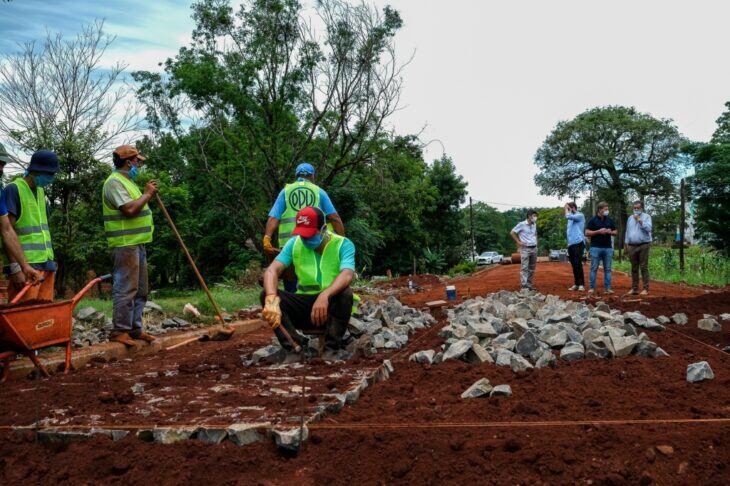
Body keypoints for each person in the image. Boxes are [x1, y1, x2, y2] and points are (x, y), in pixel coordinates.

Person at [261, 206, 355, 351]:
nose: (305, 239)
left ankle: (331, 348)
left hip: (332, 308)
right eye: (302, 235)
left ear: (323, 229)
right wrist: (271, 299)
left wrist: (325, 295)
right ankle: (295, 346)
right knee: (265, 295)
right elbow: (272, 270)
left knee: (345, 293)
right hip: (305, 308)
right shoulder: (294, 243)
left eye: (309, 235)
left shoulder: (343, 244)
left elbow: (347, 274)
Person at [102, 145, 158, 347]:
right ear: (128, 162)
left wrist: (146, 194)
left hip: (137, 243)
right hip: (125, 244)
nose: (139, 165)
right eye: (138, 162)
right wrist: (148, 194)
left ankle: (134, 329)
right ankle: (120, 330)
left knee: (141, 289)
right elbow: (130, 210)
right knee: (126, 288)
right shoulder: (114, 183)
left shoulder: (128, 182)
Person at [263, 163, 345, 292]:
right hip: (316, 242)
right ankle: (316, 302)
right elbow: (334, 218)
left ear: (296, 176)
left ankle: (294, 304)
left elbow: (274, 217)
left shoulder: (286, 192)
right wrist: (342, 241)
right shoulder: (319, 192)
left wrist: (267, 237)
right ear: (312, 176)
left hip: (289, 244)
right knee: (316, 273)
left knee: (290, 278)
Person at [4, 150, 59, 302]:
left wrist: (51, 262)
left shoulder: (41, 192)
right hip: (26, 267)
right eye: (50, 174)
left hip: (46, 264)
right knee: (23, 315)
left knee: (43, 316)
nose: (52, 178)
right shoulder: (14, 189)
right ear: (36, 170)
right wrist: (15, 268)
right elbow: (6, 232)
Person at [0, 143, 42, 291]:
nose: (1, 169)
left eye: (2, 164)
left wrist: (23, 266)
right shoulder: (13, 189)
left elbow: (6, 230)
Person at [585, 202, 617, 295]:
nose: (607, 211)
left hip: (608, 248)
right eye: (605, 209)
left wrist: (610, 232)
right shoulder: (593, 220)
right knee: (594, 268)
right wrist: (598, 231)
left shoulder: (609, 220)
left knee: (607, 269)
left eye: (607, 209)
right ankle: (591, 288)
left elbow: (616, 232)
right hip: (595, 247)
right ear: (600, 210)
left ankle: (608, 288)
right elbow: (587, 233)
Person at [624, 200, 653, 296]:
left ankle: (646, 288)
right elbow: (627, 231)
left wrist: (639, 220)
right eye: (634, 208)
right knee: (634, 267)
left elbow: (649, 228)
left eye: (638, 208)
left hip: (643, 245)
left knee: (644, 267)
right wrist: (626, 243)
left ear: (642, 208)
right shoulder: (630, 218)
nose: (636, 210)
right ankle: (634, 288)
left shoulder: (647, 217)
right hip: (632, 245)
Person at [510, 210, 538, 291]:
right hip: (525, 249)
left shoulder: (534, 225)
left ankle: (529, 284)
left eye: (536, 216)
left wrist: (536, 243)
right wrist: (518, 242)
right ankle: (524, 285)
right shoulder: (521, 224)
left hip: (534, 248)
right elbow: (512, 232)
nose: (535, 218)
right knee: (524, 267)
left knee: (532, 268)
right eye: (534, 216)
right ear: (529, 216)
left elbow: (535, 234)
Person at [564, 202, 586, 291]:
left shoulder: (580, 215)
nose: (567, 211)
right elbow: (569, 231)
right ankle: (576, 284)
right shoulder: (570, 219)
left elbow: (568, 216)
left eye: (569, 208)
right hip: (571, 244)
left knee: (578, 263)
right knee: (573, 264)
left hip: (578, 242)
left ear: (573, 208)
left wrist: (567, 209)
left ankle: (581, 284)